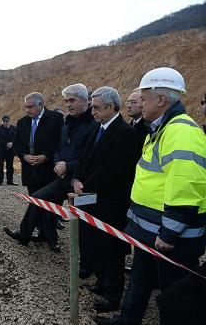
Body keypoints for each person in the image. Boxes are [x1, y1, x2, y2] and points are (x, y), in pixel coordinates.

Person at [95, 67, 206, 325]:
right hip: (151, 232)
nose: (139, 103)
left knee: (174, 297)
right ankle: (127, 319)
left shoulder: (182, 132)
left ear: (161, 100)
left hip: (169, 238)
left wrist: (169, 232)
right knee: (140, 279)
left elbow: (187, 185)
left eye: (143, 98)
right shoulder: (159, 129)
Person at [72, 86, 137, 314]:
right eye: (92, 107)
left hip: (112, 203)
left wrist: (85, 185)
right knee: (96, 244)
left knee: (113, 250)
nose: (93, 112)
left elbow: (113, 169)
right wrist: (76, 179)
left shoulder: (126, 134)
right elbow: (83, 158)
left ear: (111, 107)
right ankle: (101, 283)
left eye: (97, 108)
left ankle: (114, 296)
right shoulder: (96, 129)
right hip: (91, 199)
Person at [4, 92, 63, 249]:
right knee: (35, 202)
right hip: (30, 170)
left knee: (49, 206)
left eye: (30, 107)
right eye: (26, 107)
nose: (27, 110)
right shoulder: (22, 122)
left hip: (48, 170)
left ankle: (51, 240)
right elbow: (17, 144)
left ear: (41, 105)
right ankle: (41, 234)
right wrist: (24, 156)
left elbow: (58, 142)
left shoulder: (55, 119)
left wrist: (45, 156)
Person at [125, 91, 149, 161]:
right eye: (128, 102)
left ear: (143, 103)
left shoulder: (148, 127)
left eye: (133, 102)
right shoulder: (127, 127)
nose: (129, 106)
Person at [0, 115, 17, 185]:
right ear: (2, 121)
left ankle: (10, 181)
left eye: (7, 121)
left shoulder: (13, 128)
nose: (6, 123)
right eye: (4, 121)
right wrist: (7, 144)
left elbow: (16, 137)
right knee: (0, 166)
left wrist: (12, 143)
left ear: (9, 121)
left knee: (10, 166)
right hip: (1, 151)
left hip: (10, 151)